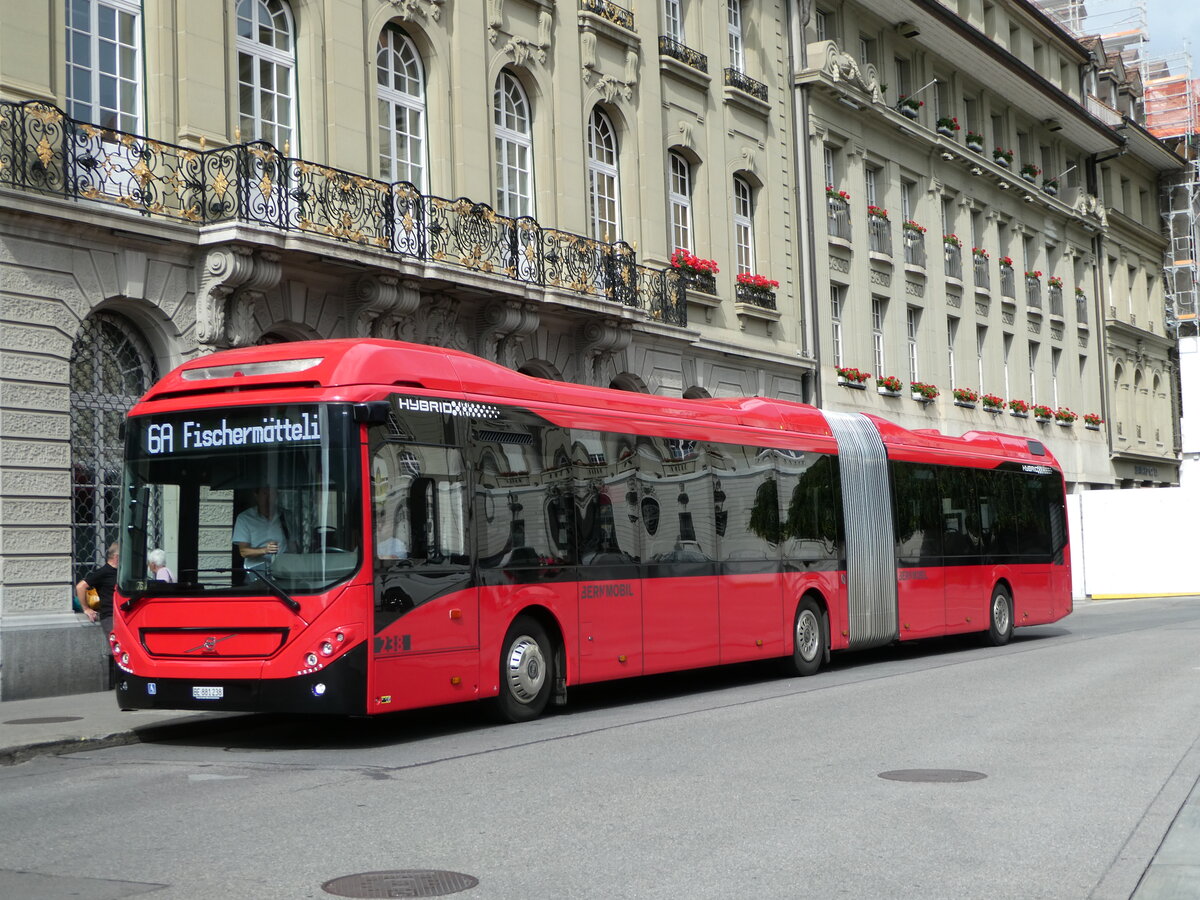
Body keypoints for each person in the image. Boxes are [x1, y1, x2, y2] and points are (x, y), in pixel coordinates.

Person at [76, 542, 119, 689]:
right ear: (116, 557)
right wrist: (86, 608)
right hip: (109, 616)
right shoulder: (104, 572)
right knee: (116, 648)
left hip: (122, 616)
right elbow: (81, 586)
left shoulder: (121, 573)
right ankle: (115, 683)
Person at [233, 486, 288, 570]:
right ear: (256, 495)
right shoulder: (245, 518)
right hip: (257, 573)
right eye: (265, 493)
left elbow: (293, 545)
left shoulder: (286, 515)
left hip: (283, 570)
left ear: (277, 495)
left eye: (272, 494)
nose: (268, 498)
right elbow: (244, 551)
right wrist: (265, 550)